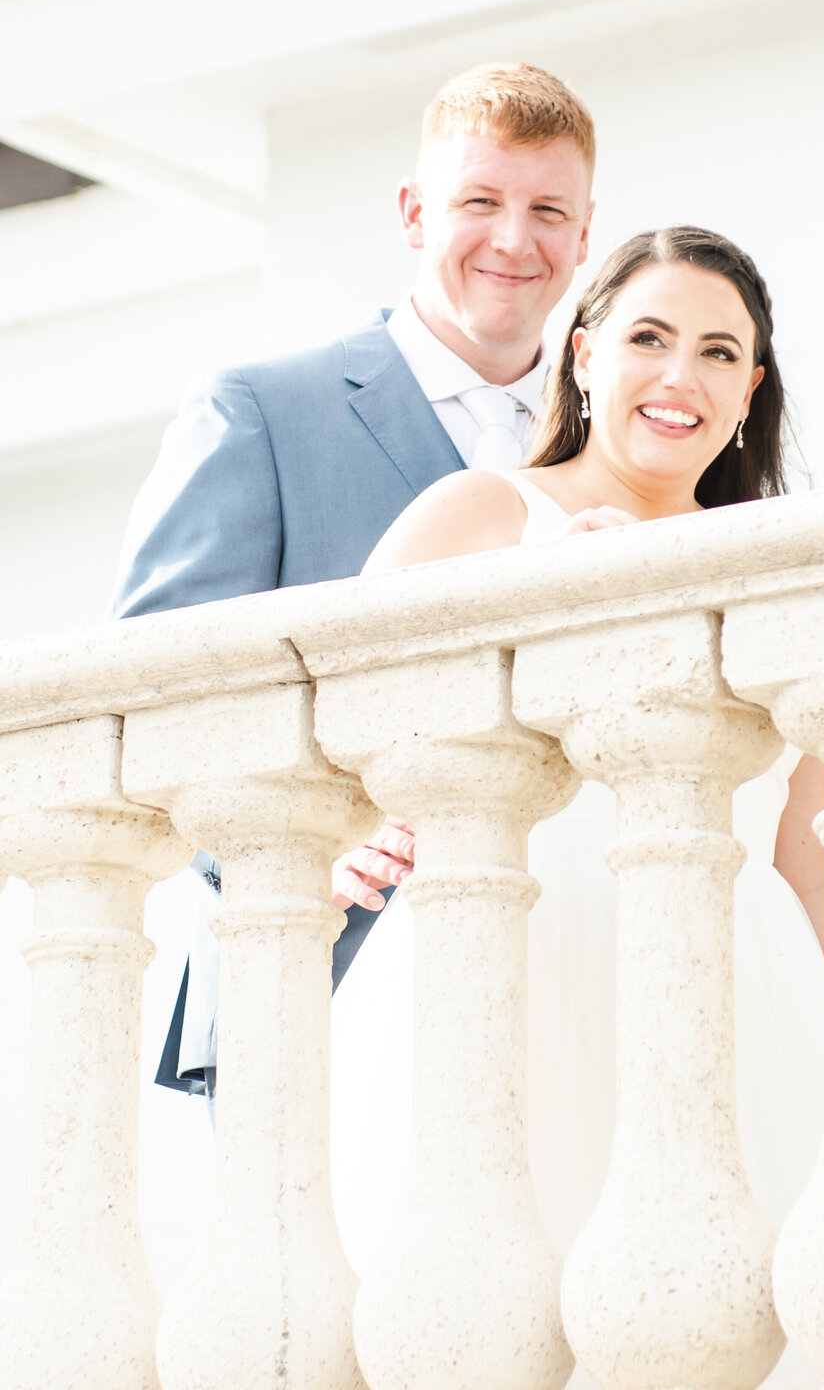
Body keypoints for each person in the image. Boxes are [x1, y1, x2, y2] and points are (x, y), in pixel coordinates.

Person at [329, 226, 824, 1390]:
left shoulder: (793, 565)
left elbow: (807, 861)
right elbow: (332, 730)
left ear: (750, 391)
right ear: (585, 353)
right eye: (648, 338)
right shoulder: (484, 517)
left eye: (718, 353)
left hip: (745, 1004)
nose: (679, 377)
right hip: (513, 969)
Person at [112, 61, 597, 1093]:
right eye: (481, 202)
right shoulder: (259, 411)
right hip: (317, 972)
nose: (516, 241)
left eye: (548, 210)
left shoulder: (620, 438)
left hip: (571, 987)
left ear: (586, 235)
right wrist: (290, 851)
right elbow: (159, 696)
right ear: (416, 213)